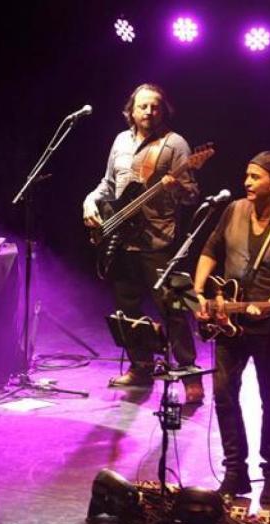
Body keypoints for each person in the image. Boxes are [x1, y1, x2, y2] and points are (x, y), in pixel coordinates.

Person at [193, 151, 270, 505]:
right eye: (246, 175)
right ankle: (235, 472)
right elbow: (210, 249)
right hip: (227, 320)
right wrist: (199, 294)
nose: (246, 182)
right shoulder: (234, 210)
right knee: (225, 395)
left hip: (267, 327)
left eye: (255, 177)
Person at [82, 83, 204, 403]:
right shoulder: (121, 141)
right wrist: (89, 202)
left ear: (163, 111)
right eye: (143, 106)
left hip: (162, 241)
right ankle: (141, 367)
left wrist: (175, 186)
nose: (149, 111)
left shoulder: (176, 144)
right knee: (127, 309)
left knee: (178, 307)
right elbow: (108, 185)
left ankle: (190, 373)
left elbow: (193, 194)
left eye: (155, 107)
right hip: (123, 241)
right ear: (131, 111)